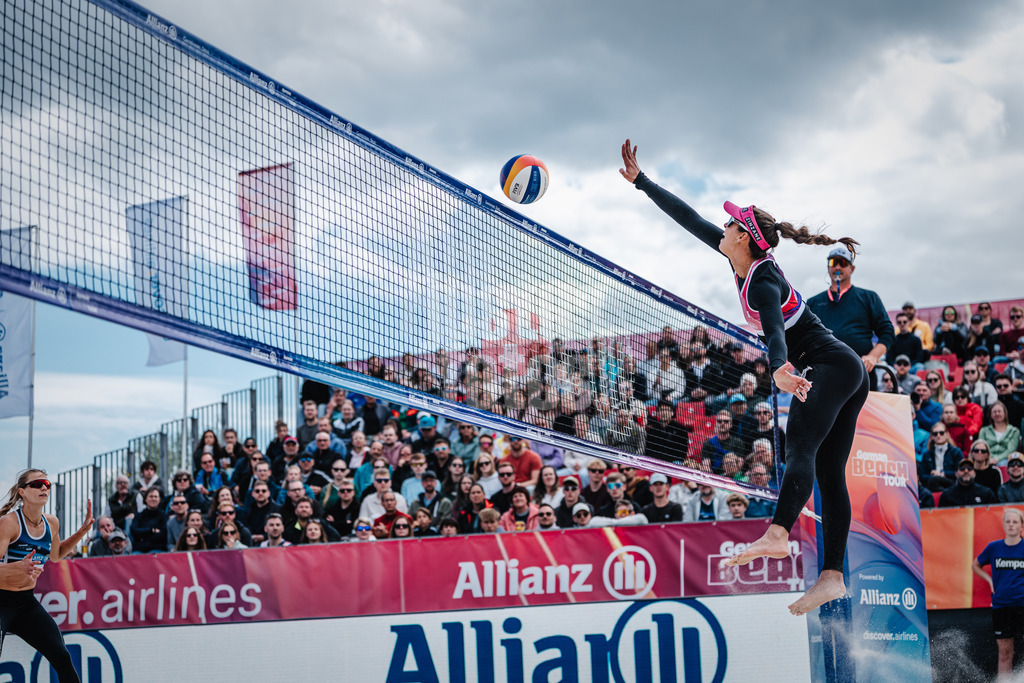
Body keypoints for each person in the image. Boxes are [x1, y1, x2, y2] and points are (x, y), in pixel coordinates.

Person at [622, 140, 870, 616]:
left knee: (800, 446)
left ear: (745, 236)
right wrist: (642, 182)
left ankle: (778, 533)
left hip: (831, 366)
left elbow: (775, 327)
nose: (725, 226)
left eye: (732, 222)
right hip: (843, 368)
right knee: (826, 471)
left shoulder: (761, 279)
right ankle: (833, 576)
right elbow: (689, 218)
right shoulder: (738, 259)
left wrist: (779, 368)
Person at [0, 470, 93, 682]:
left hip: (25, 603)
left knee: (61, 656)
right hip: (1, 601)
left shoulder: (51, 523)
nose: (44, 487)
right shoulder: (9, 523)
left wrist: (82, 531)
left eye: (47, 484)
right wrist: (15, 568)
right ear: (22, 492)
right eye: (38, 484)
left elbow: (57, 555)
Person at [805, 245, 894, 390]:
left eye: (843, 262)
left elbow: (887, 332)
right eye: (833, 262)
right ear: (828, 267)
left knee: (860, 413)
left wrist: (873, 356)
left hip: (861, 374)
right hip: (823, 376)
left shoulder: (868, 297)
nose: (838, 266)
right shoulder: (813, 302)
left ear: (851, 268)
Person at [972, 508, 1024, 679]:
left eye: (1015, 522)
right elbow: (975, 565)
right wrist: (989, 580)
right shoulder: (994, 547)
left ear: (1021, 525)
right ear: (1003, 524)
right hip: (1001, 607)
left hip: (1022, 606)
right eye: (1008, 521)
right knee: (1005, 653)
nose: (1011, 525)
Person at [979, 401, 1021, 465]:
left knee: (1003, 463)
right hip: (987, 459)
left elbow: (1010, 450)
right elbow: (981, 447)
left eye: (999, 411)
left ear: (1005, 413)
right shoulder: (984, 431)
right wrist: (990, 458)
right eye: (994, 412)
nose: (997, 414)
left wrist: (997, 459)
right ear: (991, 414)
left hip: (1006, 459)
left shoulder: (1014, 431)